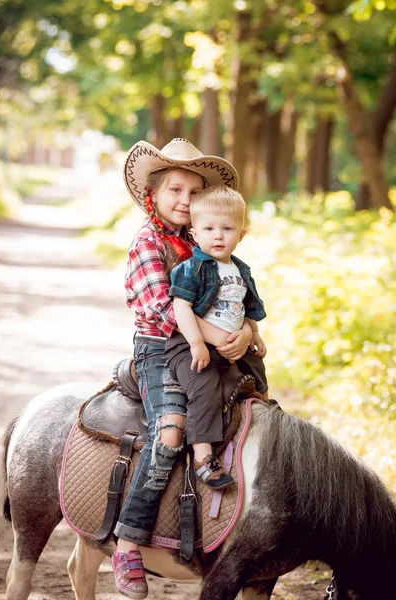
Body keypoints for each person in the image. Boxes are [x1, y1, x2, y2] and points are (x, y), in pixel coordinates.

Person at [112, 138, 254, 599]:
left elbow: (238, 297)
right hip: (159, 347)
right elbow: (164, 310)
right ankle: (129, 540)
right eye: (175, 189)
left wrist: (247, 335)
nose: (185, 201)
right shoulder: (147, 244)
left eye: (194, 192)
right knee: (171, 428)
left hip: (213, 347)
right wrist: (220, 339)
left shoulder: (206, 238)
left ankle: (236, 525)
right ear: (152, 194)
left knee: (255, 410)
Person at [164, 186, 268, 489]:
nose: (218, 236)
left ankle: (263, 426)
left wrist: (255, 333)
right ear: (194, 234)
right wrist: (197, 343)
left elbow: (247, 305)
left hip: (229, 345)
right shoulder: (192, 268)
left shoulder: (241, 270)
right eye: (209, 228)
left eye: (227, 228)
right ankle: (203, 456)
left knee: (255, 370)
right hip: (188, 346)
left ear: (242, 234)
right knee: (205, 386)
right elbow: (180, 306)